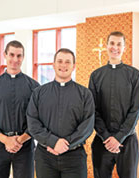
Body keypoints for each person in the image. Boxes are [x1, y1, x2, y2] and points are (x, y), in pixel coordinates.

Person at [27, 48, 95, 178]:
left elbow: (87, 126)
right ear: (53, 64)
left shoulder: (85, 94)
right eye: (60, 61)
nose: (63, 65)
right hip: (45, 157)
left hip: (74, 158)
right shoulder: (39, 93)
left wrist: (64, 145)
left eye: (68, 62)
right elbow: (33, 123)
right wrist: (52, 142)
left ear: (74, 66)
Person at [0, 40, 40, 178]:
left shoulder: (34, 87)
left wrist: (20, 140)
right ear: (5, 55)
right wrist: (6, 140)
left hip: (25, 147)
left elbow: (38, 119)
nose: (15, 59)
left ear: (23, 57)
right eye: (11, 55)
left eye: (19, 56)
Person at [89, 31, 139, 178]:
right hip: (102, 140)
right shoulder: (96, 76)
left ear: (124, 47)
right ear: (107, 46)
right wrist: (107, 137)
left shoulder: (135, 75)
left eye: (119, 44)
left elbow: (135, 110)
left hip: (127, 140)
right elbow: (93, 110)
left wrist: (118, 138)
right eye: (112, 43)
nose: (115, 47)